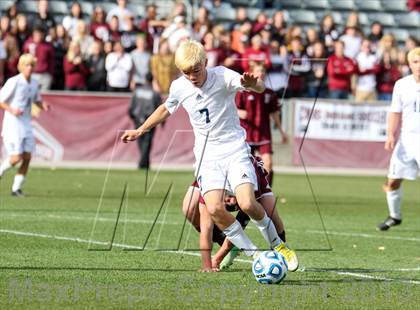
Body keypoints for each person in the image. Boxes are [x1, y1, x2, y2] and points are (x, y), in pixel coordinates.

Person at [121, 40, 298, 271]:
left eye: (196, 70)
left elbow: (260, 88)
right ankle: (256, 256)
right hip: (208, 157)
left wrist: (253, 85)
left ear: (205, 62)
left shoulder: (222, 75)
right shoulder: (179, 87)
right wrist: (140, 129)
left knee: (247, 202)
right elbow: (166, 108)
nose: (192, 77)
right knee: (214, 209)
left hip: (234, 149)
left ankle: (278, 245)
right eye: (186, 73)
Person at [182, 156, 288, 272]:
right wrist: (207, 265)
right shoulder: (209, 187)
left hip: (242, 165)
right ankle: (229, 244)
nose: (232, 202)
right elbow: (206, 228)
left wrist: (217, 258)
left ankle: (283, 256)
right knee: (189, 208)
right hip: (212, 163)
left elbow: (239, 224)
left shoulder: (246, 183)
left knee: (271, 213)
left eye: (234, 197)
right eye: (230, 196)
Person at [377, 47, 420, 231]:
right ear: (409, 64)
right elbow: (395, 112)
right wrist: (390, 135)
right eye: (415, 62)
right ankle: (395, 216)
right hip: (407, 140)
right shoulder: (402, 85)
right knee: (393, 180)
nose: (419, 66)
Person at [0, 54, 49, 196]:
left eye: (31, 65)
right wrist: (12, 109)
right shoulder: (14, 81)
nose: (29, 68)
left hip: (26, 124)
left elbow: (36, 100)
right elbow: (1, 100)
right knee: (16, 158)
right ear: (21, 66)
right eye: (26, 65)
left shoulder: (33, 83)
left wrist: (43, 105)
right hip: (13, 125)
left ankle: (16, 189)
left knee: (27, 157)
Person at [235, 63, 288, 185]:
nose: (261, 74)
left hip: (264, 134)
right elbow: (231, 109)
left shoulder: (269, 93)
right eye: (258, 71)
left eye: (263, 71)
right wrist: (239, 112)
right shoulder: (243, 91)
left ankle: (267, 191)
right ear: (252, 73)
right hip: (246, 134)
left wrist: (281, 131)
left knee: (268, 163)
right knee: (247, 166)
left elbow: (274, 113)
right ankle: (247, 192)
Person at [128, 73, 161, 169]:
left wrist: (132, 116)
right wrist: (162, 122)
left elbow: (131, 106)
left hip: (137, 119)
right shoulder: (155, 93)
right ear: (152, 80)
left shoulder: (137, 91)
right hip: (149, 121)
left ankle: (144, 162)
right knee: (147, 142)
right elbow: (160, 108)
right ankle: (143, 163)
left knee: (140, 141)